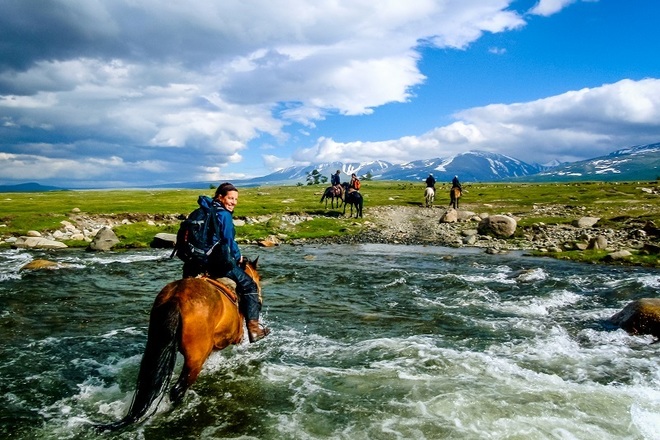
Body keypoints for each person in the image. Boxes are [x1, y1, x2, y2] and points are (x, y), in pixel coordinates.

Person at [183, 182, 270, 343]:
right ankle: (254, 329)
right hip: (216, 263)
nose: (233, 202)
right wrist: (239, 257)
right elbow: (228, 240)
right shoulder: (224, 215)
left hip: (193, 263)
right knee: (250, 285)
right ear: (220, 197)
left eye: (236, 199)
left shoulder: (201, 211)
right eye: (230, 198)